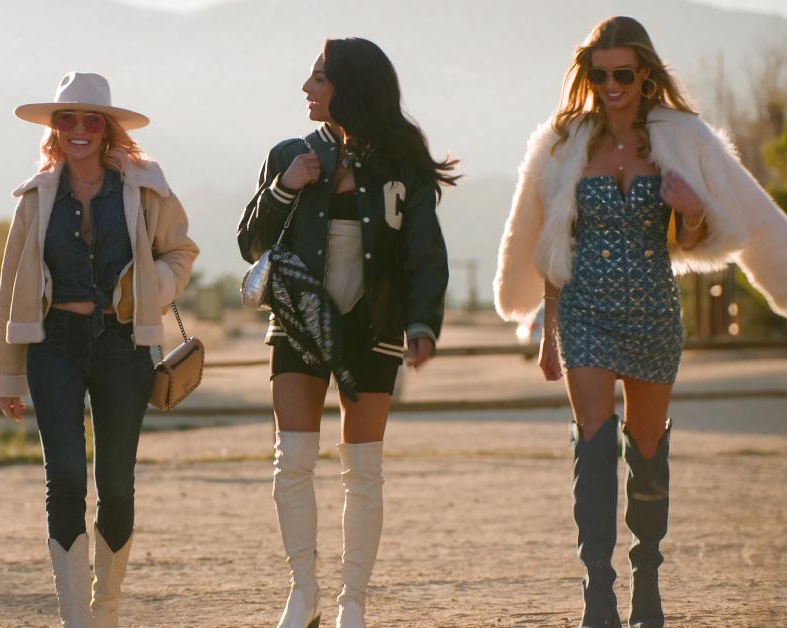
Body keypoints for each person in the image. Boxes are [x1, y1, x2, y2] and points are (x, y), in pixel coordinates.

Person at [494, 16, 787, 628]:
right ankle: (596, 587)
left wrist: (691, 209)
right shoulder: (566, 142)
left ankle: (646, 575)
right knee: (594, 442)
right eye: (597, 74)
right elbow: (553, 246)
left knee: (648, 449)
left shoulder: (679, 140)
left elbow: (702, 236)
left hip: (653, 312)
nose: (610, 84)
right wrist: (549, 334)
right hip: (585, 313)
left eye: (622, 73)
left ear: (644, 72)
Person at [237, 38, 456, 628]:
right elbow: (251, 246)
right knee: (294, 460)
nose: (306, 90)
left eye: (318, 79)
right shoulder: (290, 153)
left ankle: (351, 602)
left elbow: (425, 251)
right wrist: (284, 187)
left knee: (363, 467)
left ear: (349, 88)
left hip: (373, 326)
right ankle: (302, 590)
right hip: (298, 323)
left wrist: (421, 322)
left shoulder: (401, 162)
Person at [0, 71, 198, 627]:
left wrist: (151, 285)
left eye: (91, 120)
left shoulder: (144, 185)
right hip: (52, 344)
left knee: (116, 483)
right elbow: (12, 286)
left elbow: (181, 251)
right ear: (54, 128)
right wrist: (7, 377)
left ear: (107, 129)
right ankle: (74, 619)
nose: (79, 128)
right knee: (63, 477)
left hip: (123, 345)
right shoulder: (35, 196)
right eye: (68, 118)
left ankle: (105, 612)